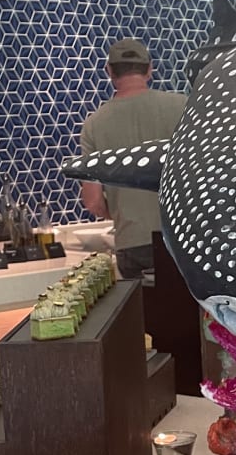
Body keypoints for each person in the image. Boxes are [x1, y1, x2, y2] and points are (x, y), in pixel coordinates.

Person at [78, 37, 188, 279]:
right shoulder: (182, 106)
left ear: (109, 71)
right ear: (149, 69)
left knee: (142, 303)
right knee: (185, 304)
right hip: (184, 238)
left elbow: (93, 201)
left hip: (132, 242)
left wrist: (124, 212)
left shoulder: (94, 124)